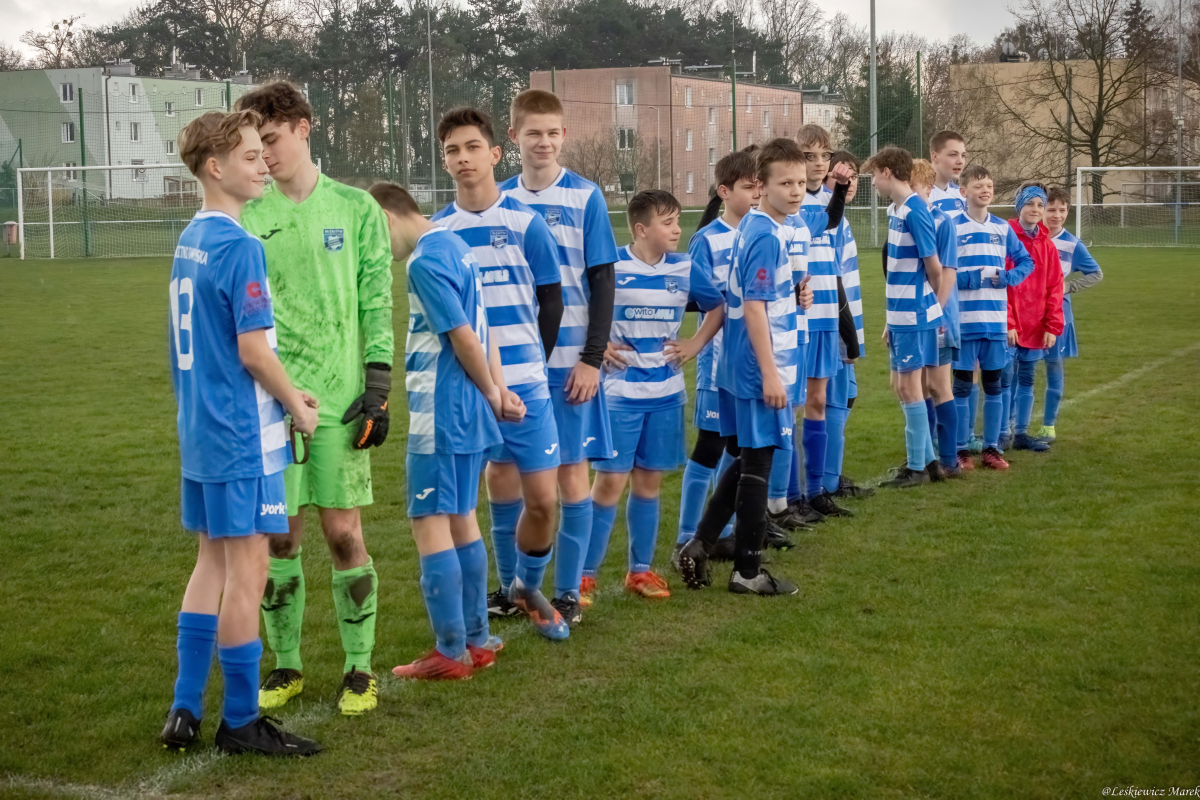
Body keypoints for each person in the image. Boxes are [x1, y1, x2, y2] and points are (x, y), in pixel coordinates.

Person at [162, 109, 321, 755]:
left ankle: (184, 708)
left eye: (264, 153)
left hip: (201, 429)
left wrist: (286, 389)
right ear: (214, 167)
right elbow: (253, 352)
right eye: (251, 157)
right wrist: (296, 407)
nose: (264, 165)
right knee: (248, 571)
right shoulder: (240, 245)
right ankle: (239, 721)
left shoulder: (191, 238)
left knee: (210, 562)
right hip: (240, 435)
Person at [236, 82, 392, 716]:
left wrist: (377, 384)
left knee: (343, 534)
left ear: (303, 128)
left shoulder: (356, 209)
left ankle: (360, 668)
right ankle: (286, 664)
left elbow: (376, 298)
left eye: (272, 139)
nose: (265, 154)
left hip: (338, 401)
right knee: (279, 537)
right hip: (270, 402)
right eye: (256, 145)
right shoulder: (248, 215)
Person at [369, 182, 522, 680]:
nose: (376, 249)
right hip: (468, 408)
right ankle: (478, 640)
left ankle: (450, 651)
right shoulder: (456, 244)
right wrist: (496, 392)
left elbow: (463, 338)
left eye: (373, 234)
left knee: (430, 521)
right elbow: (485, 329)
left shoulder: (424, 262)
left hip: (442, 411)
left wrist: (495, 393)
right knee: (461, 519)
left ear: (386, 218)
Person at [431, 107, 570, 641]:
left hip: (526, 385)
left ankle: (525, 586)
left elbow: (551, 301)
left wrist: (530, 364)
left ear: (494, 153)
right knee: (480, 497)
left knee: (543, 501)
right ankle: (497, 595)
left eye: (472, 147)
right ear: (445, 161)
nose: (463, 158)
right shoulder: (439, 232)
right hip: (468, 389)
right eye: (452, 150)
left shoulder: (526, 224)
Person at [499, 89, 619, 625]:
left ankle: (568, 592)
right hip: (513, 366)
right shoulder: (501, 199)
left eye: (552, 133)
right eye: (533, 133)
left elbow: (603, 281)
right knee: (506, 475)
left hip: (571, 366)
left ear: (564, 135)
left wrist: (591, 358)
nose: (543, 142)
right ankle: (511, 588)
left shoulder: (586, 197)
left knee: (571, 477)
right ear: (514, 137)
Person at [677, 138, 814, 597]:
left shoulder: (759, 227)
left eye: (800, 182)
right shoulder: (764, 235)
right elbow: (753, 308)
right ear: (762, 187)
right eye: (785, 183)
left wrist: (793, 295)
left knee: (746, 459)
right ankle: (747, 571)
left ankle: (699, 545)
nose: (796, 191)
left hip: (746, 364)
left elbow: (762, 299)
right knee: (758, 461)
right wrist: (771, 373)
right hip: (756, 368)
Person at [583, 190, 725, 599]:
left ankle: (639, 572)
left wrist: (694, 344)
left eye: (677, 221)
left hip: (666, 394)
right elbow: (577, 307)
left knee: (648, 484)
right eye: (668, 222)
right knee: (609, 484)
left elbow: (717, 307)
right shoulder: (610, 264)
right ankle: (584, 574)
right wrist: (595, 348)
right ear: (641, 229)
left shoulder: (684, 267)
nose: (677, 229)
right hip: (619, 395)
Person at [674, 150, 759, 569]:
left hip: (749, 363)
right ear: (724, 191)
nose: (756, 194)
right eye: (748, 187)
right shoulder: (707, 239)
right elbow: (696, 298)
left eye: (759, 186)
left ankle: (721, 531)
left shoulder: (763, 233)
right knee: (709, 445)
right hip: (717, 359)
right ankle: (686, 535)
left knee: (739, 446)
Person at [866, 147, 947, 489]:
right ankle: (930, 463)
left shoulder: (916, 210)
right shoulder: (897, 210)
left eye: (874, 175)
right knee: (902, 386)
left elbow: (935, 268)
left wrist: (929, 309)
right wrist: (891, 318)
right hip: (900, 315)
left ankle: (916, 469)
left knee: (911, 387)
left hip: (914, 314)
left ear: (887, 172)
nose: (872, 182)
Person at [950, 165, 1034, 471]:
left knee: (994, 385)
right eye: (978, 186)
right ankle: (960, 450)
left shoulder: (1002, 228)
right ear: (963, 192)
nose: (985, 190)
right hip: (964, 322)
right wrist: (969, 278)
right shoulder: (951, 227)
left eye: (989, 185)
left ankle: (992, 448)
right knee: (962, 387)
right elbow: (939, 272)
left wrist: (1009, 277)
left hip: (995, 322)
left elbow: (1026, 261)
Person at [821, 150, 872, 499]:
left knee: (847, 395)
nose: (849, 182)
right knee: (834, 400)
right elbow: (832, 279)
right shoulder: (826, 218)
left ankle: (828, 473)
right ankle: (824, 479)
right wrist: (847, 334)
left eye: (853, 176)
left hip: (846, 321)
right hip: (835, 324)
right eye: (842, 175)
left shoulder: (840, 218)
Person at [908, 158, 962, 480]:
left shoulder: (942, 222)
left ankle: (950, 460)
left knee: (939, 386)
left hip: (938, 318)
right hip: (913, 317)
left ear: (927, 188)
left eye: (912, 186)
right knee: (918, 386)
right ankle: (926, 457)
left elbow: (948, 274)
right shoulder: (906, 219)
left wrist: (936, 312)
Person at [1037, 186, 1103, 441]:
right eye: (1051, 209)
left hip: (1057, 316)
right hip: (1028, 315)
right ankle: (1011, 428)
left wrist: (1069, 286)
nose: (1056, 215)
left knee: (1054, 366)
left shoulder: (1073, 244)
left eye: (1062, 210)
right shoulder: (1029, 237)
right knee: (1020, 370)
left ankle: (1048, 426)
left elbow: (1096, 273)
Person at [1005, 183, 1064, 452]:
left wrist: (1052, 325)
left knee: (1027, 379)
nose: (1036, 209)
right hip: (1010, 326)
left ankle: (1020, 433)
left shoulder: (1047, 245)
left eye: (1040, 205)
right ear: (1019, 206)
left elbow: (1055, 287)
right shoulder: (1006, 238)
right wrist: (1008, 322)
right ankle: (1002, 432)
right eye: (1030, 203)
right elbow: (1002, 286)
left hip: (1036, 325)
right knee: (1005, 379)